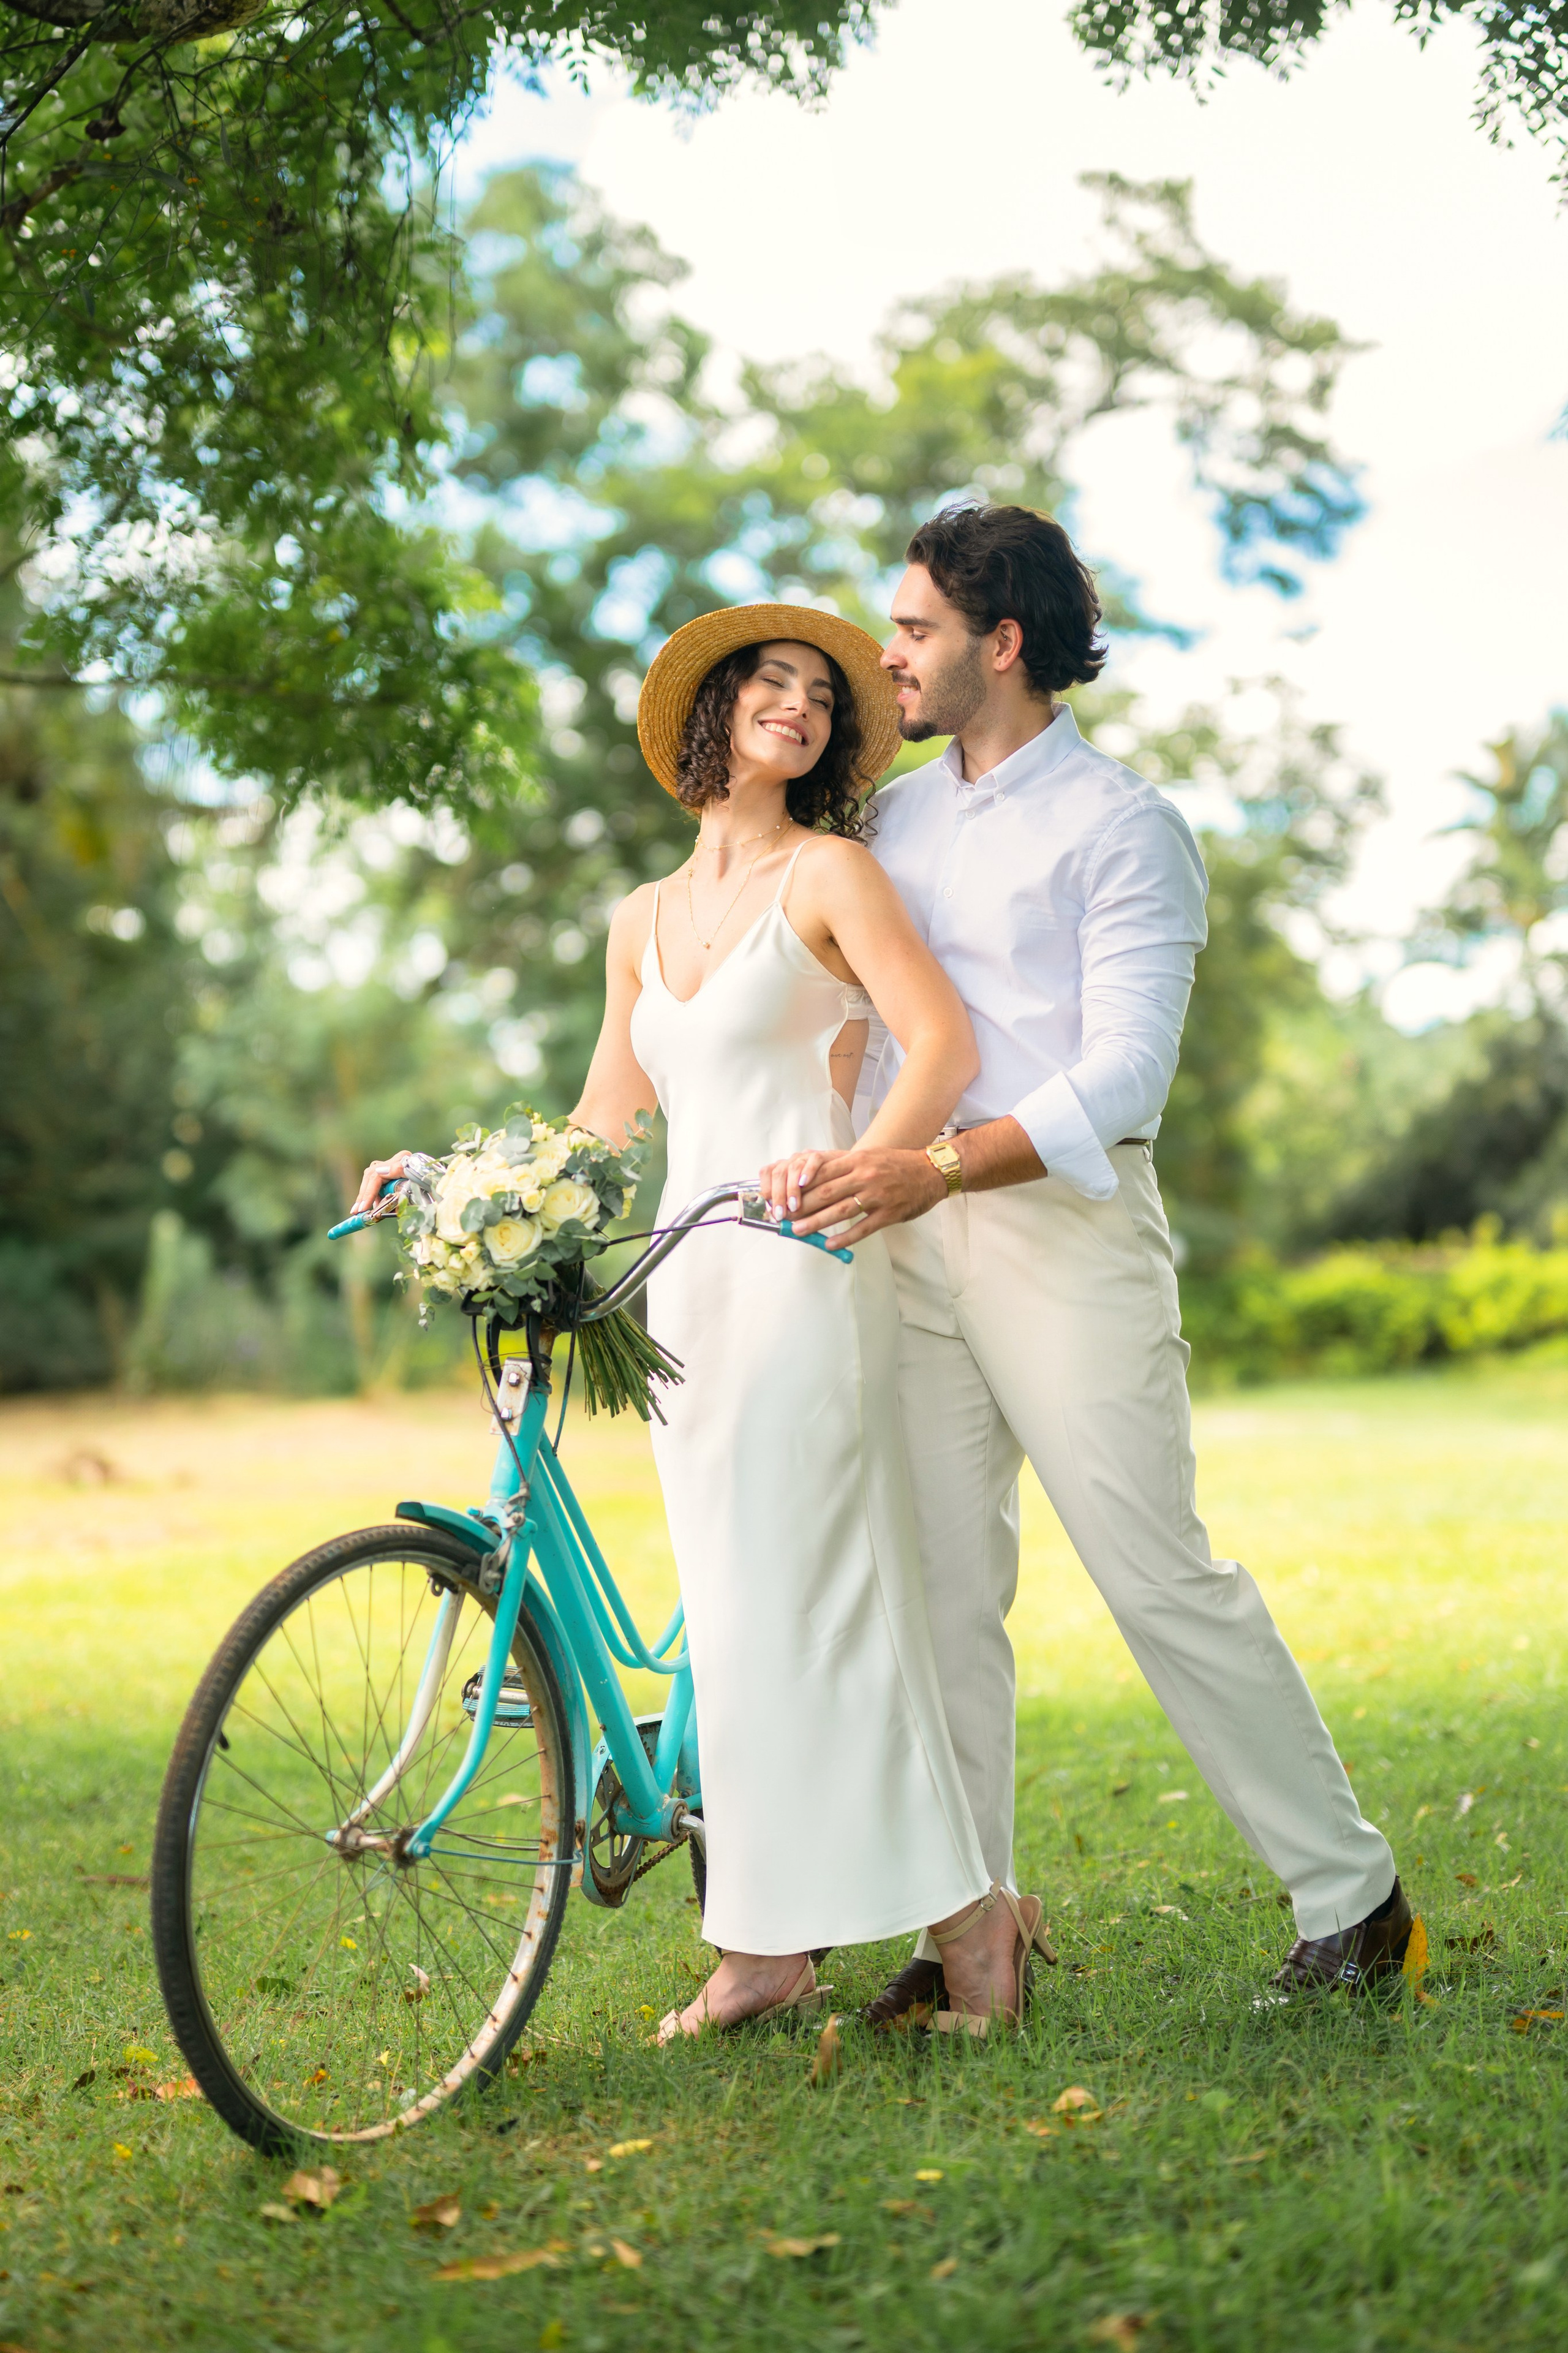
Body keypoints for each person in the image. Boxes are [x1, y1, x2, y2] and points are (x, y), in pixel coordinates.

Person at [352, 605, 1055, 2037]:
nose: (798, 704)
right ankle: (764, 1945)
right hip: (684, 1288)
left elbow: (943, 1044)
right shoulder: (640, 917)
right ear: (714, 710)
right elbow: (607, 1121)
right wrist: (459, 1176)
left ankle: (970, 1920)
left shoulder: (830, 872)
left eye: (820, 696)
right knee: (732, 1615)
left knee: (821, 1599)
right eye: (770, 682)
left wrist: (871, 1169)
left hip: (807, 1268)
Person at [766, 506, 1414, 2017]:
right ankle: (964, 1929)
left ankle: (1352, 1901)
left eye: (915, 629)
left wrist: (934, 1167)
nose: (885, 655)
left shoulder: (1127, 828)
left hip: (1062, 1231)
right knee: (935, 1592)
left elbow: (1124, 1074)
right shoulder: (886, 825)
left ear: (1001, 643)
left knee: (1156, 1573)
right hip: (902, 1238)